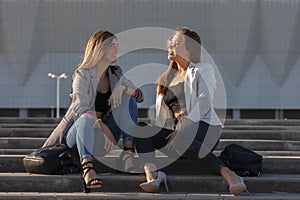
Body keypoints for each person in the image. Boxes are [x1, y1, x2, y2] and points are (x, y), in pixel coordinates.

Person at [134, 27, 247, 196]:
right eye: (170, 42)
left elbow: (205, 101)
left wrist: (183, 126)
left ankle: (227, 172)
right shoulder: (166, 78)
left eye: (176, 43)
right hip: (176, 135)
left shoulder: (203, 70)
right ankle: (154, 175)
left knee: (182, 137)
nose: (170, 45)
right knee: (141, 128)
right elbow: (162, 117)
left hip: (204, 127)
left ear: (190, 49)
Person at [44, 30, 144, 193]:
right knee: (86, 117)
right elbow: (80, 109)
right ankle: (88, 168)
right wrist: (103, 127)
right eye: (112, 45)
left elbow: (140, 97)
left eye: (117, 45)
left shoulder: (116, 73)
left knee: (129, 98)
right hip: (78, 137)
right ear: (100, 49)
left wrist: (123, 87)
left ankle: (128, 154)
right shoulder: (82, 74)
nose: (117, 49)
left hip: (105, 140)